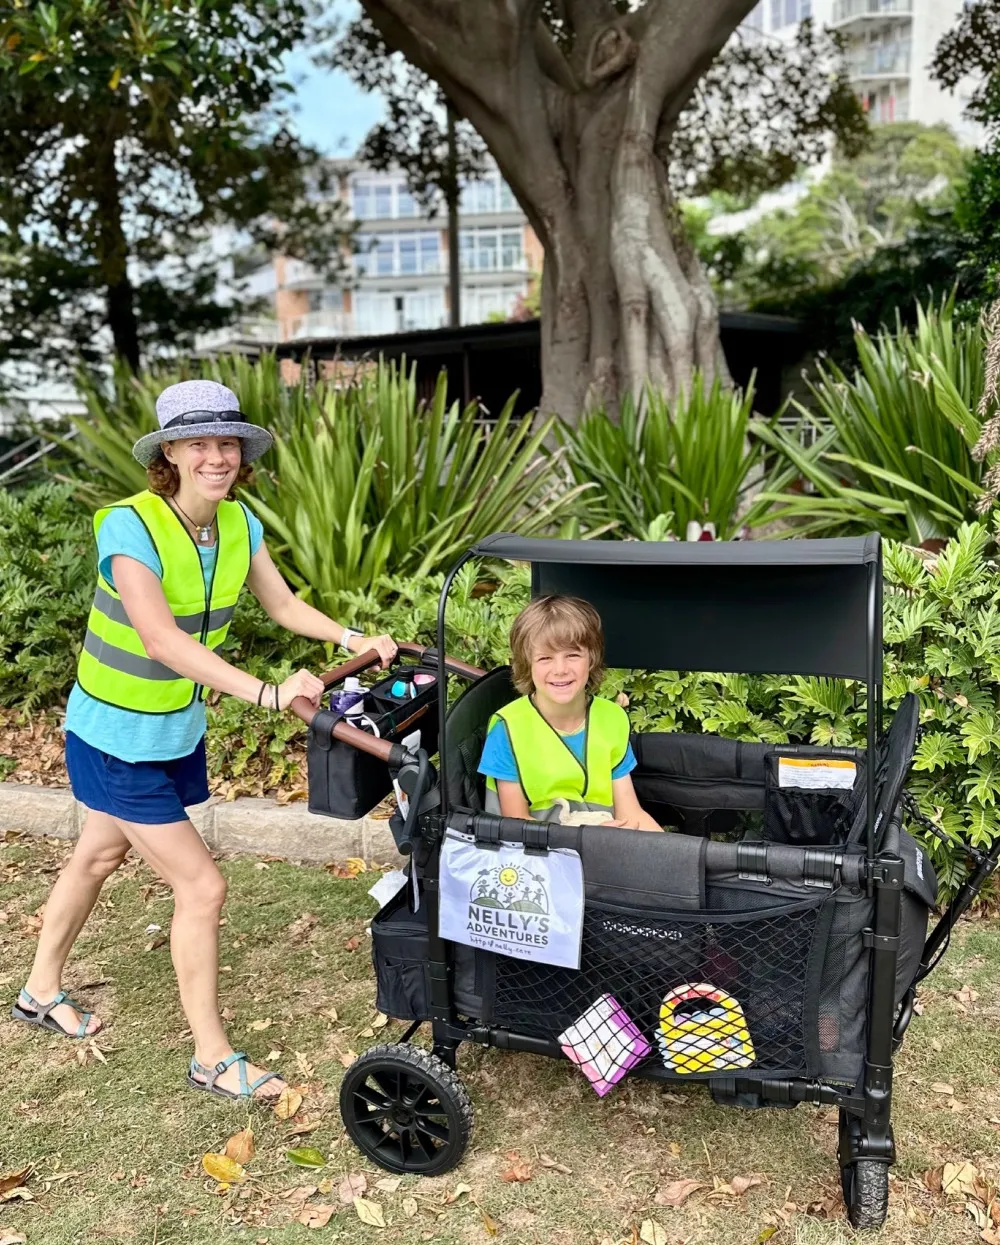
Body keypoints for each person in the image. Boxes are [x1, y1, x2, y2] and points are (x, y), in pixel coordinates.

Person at [11, 380, 397, 1103]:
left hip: (170, 730)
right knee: (202, 884)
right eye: (200, 443)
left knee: (96, 853)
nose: (216, 456)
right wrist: (270, 693)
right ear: (170, 454)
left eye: (227, 443)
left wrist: (353, 637)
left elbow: (281, 604)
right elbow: (158, 637)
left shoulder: (237, 525)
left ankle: (36, 991)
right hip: (115, 736)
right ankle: (212, 1058)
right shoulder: (129, 526)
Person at [478, 595, 661, 830]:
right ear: (527, 664)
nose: (560, 670)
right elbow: (516, 825)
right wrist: (588, 840)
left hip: (606, 844)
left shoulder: (611, 719)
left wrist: (676, 857)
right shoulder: (508, 730)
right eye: (545, 658)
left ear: (591, 658)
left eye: (572, 655)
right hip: (534, 856)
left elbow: (631, 814)